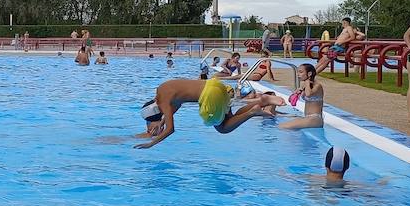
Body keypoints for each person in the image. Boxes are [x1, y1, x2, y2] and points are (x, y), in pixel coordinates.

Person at [133, 78, 274, 149]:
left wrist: (151, 144)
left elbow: (171, 130)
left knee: (223, 129)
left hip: (210, 95)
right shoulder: (163, 89)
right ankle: (261, 101)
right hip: (216, 85)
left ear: (159, 113)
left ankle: (253, 112)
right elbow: (175, 107)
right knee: (231, 118)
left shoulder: (164, 103)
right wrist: (162, 122)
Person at [279, 63, 325, 130]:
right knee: (281, 125)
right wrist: (297, 92)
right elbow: (290, 100)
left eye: (300, 72)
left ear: (309, 74)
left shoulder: (318, 86)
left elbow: (309, 94)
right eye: (298, 72)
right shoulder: (305, 85)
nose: (298, 75)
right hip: (307, 117)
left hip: (315, 119)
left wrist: (307, 83)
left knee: (284, 127)